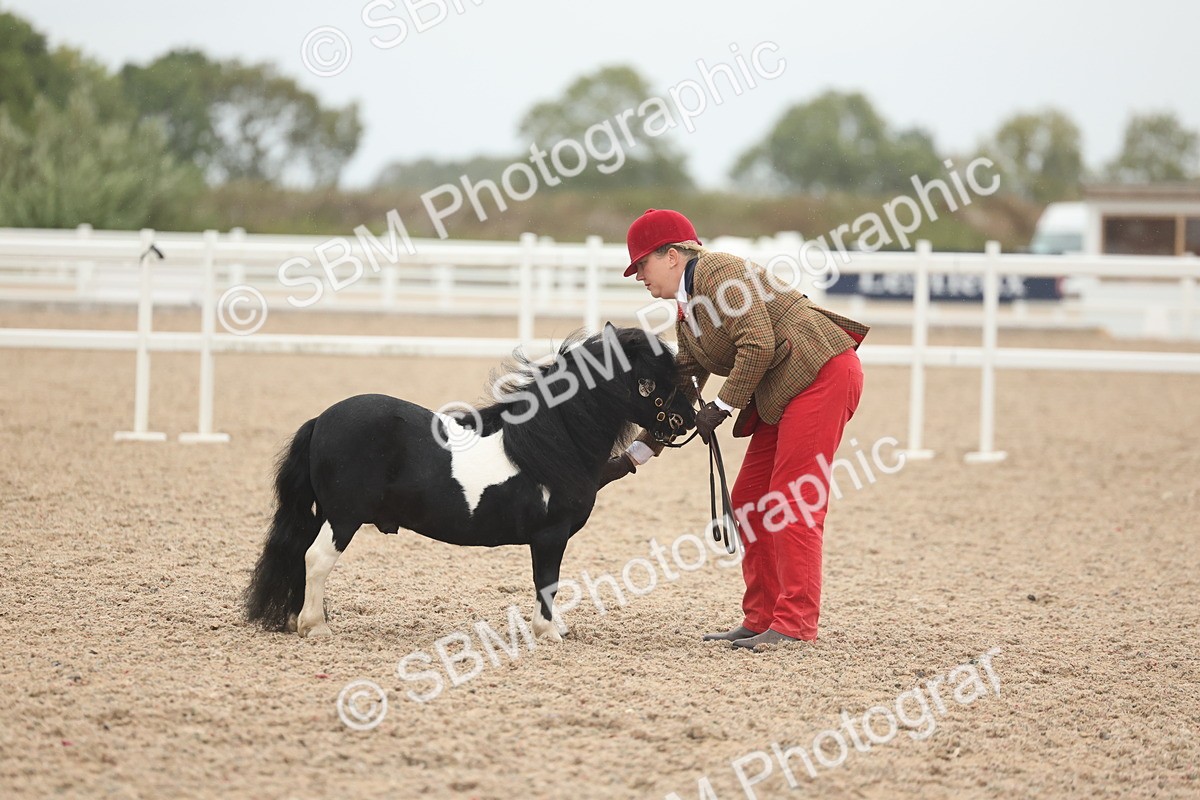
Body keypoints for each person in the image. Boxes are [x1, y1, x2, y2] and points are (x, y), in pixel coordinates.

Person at [600, 209, 868, 651]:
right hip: (784, 389)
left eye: (642, 265)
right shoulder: (687, 313)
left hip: (821, 373)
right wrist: (633, 458)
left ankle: (796, 622)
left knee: (791, 497)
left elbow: (757, 343)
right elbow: (683, 389)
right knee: (746, 499)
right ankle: (762, 617)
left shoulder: (718, 270)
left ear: (671, 256)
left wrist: (723, 406)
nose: (639, 277)